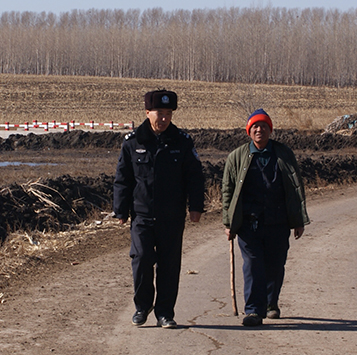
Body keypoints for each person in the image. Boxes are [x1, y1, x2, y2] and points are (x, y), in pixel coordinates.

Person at [113, 89, 205, 329]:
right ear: (147, 113)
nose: (163, 118)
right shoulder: (133, 142)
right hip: (142, 215)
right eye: (158, 113)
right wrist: (120, 210)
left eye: (167, 113)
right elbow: (123, 179)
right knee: (141, 259)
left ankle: (165, 312)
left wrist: (196, 207)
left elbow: (194, 177)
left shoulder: (182, 142)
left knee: (169, 264)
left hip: (172, 216)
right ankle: (142, 307)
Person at [221, 108, 309, 327]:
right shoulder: (237, 156)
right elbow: (227, 190)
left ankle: (271, 304)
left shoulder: (283, 154)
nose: (259, 129)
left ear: (270, 130)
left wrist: (297, 220)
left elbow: (295, 186)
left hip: (278, 221)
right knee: (252, 265)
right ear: (249, 131)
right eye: (255, 126)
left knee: (275, 266)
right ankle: (252, 311)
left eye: (263, 126)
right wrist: (228, 222)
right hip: (249, 223)